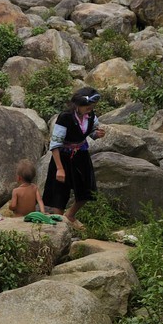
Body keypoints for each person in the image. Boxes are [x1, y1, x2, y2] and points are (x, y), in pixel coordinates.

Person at [44, 87, 106, 223]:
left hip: (81, 154)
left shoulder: (90, 116)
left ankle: (70, 215)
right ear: (77, 105)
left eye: (91, 106)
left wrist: (96, 134)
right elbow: (55, 144)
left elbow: (88, 132)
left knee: (87, 189)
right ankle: (59, 223)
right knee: (59, 192)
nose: (90, 109)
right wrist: (59, 168)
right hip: (63, 157)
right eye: (87, 107)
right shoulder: (65, 117)